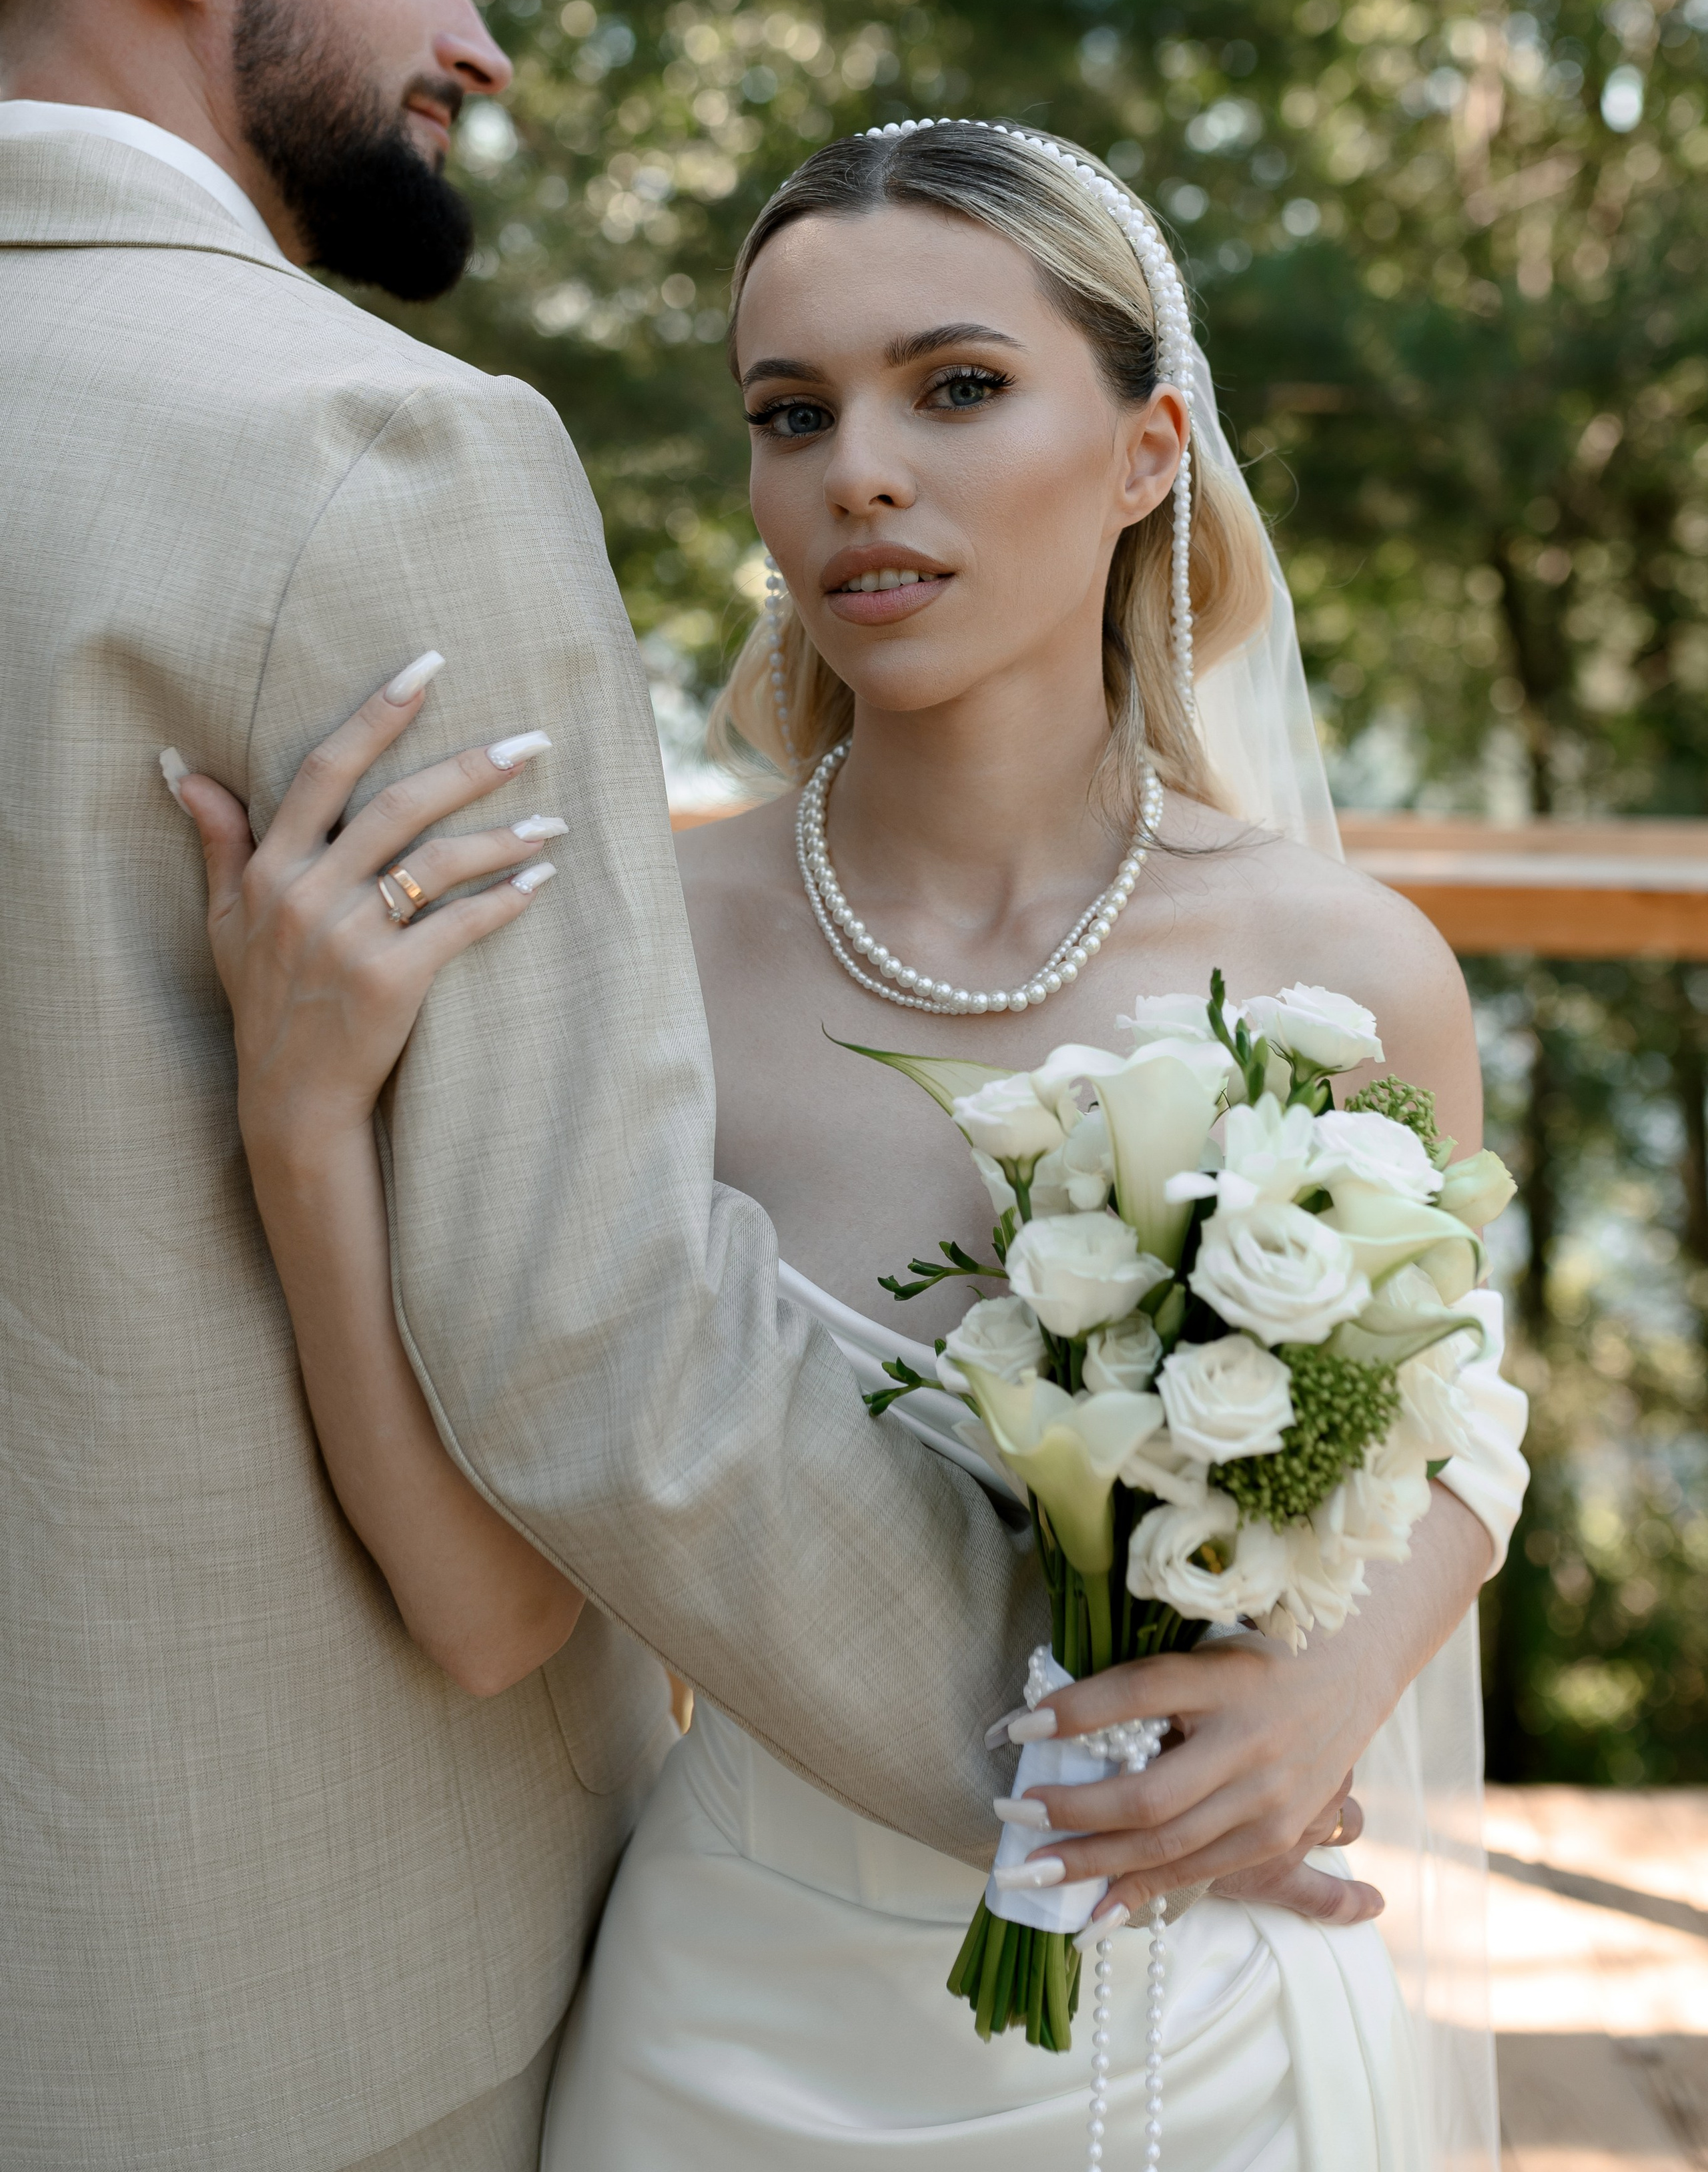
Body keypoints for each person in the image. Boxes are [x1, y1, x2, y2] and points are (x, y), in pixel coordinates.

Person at [173, 120, 1529, 2169]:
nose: (857, 474)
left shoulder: (1348, 974)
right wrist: (300, 1125)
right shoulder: (629, 964)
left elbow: (1452, 1430)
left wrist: (1337, 1701)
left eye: (958, 387)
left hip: (1220, 2038)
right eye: (790, 414)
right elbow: (486, 1615)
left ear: (1154, 446)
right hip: (741, 2041)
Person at [0, 0, 1069, 2172]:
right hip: (266, 1986)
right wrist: (1078, 1728)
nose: (467, 32)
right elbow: (583, 1336)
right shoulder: (372, 456)